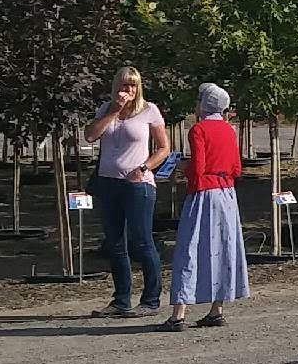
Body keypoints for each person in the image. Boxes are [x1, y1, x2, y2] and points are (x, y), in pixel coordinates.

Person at [159, 83, 249, 331]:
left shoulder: (198, 130)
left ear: (203, 104)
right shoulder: (229, 131)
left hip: (204, 194)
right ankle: (216, 308)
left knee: (190, 248)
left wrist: (181, 167)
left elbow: (197, 169)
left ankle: (179, 314)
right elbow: (237, 168)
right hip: (227, 194)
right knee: (224, 247)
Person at [83, 66, 168, 320]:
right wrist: (113, 111)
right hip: (108, 183)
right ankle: (121, 299)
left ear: (138, 88)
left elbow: (163, 148)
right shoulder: (106, 109)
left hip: (137, 185)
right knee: (115, 243)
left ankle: (151, 299)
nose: (127, 90)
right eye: (123, 85)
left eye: (131, 85)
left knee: (142, 241)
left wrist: (144, 167)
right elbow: (90, 136)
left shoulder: (149, 111)